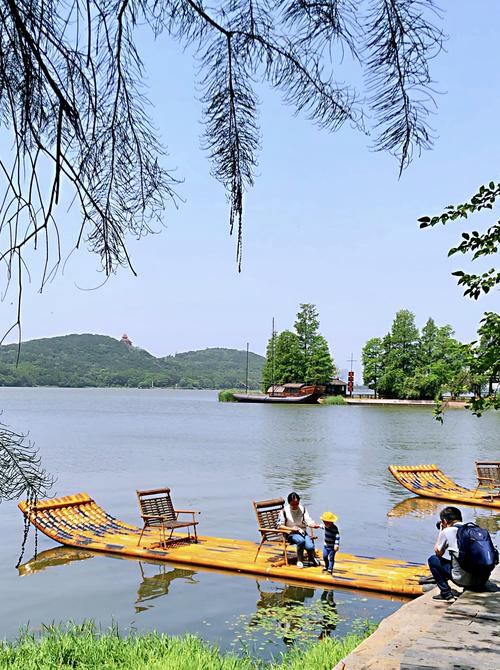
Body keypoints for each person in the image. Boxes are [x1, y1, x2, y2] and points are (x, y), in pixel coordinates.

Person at [428, 506, 465, 602]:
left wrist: (441, 531)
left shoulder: (447, 531)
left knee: (433, 560)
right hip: (482, 579)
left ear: (444, 521)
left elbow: (438, 552)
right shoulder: (473, 528)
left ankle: (446, 594)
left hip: (462, 579)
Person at [278, 492, 320, 568]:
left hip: (302, 532)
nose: (295, 506)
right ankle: (300, 560)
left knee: (310, 547)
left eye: (296, 504)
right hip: (290, 533)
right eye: (292, 504)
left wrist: (313, 525)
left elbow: (308, 520)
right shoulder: (284, 511)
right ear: (289, 503)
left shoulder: (302, 509)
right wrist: (291, 529)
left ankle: (311, 558)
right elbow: (280, 526)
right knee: (301, 541)